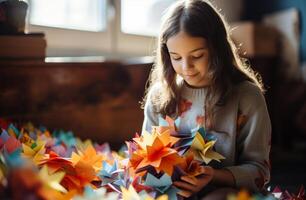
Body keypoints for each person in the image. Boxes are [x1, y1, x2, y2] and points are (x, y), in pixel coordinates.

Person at [141, 0, 271, 199]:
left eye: (197, 55)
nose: (186, 67)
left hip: (225, 192)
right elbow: (146, 162)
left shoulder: (247, 97)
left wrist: (213, 176)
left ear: (217, 49)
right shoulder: (160, 96)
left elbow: (260, 172)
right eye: (176, 57)